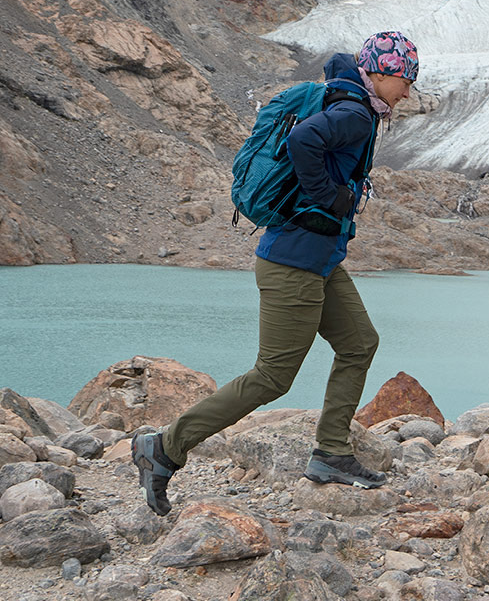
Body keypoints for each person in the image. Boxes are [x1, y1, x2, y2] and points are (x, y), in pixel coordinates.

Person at [132, 31, 419, 516]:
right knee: (273, 376)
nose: (407, 92)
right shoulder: (353, 112)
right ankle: (163, 447)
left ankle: (331, 454)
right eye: (404, 80)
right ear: (379, 72)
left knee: (359, 343)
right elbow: (303, 138)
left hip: (318, 260)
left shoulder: (350, 102)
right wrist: (329, 195)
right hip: (294, 262)